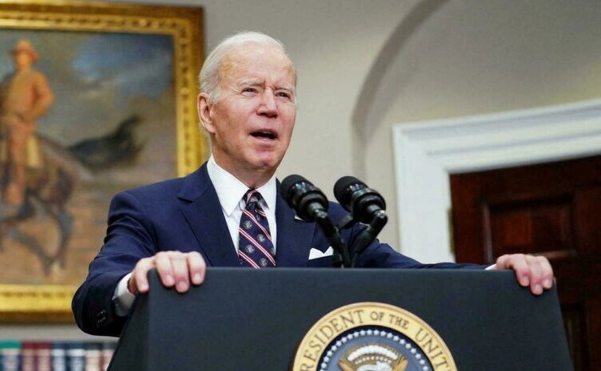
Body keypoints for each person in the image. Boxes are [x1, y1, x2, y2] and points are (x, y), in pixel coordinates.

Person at [72, 31, 553, 337]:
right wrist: (137, 281)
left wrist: (495, 276)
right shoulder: (149, 209)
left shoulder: (324, 217)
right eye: (250, 91)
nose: (270, 107)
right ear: (207, 112)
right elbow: (93, 299)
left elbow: (412, 278)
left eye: (283, 94)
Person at [0, 39, 55, 206]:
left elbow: (47, 98)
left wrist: (30, 115)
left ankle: (16, 191)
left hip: (21, 122)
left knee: (16, 151)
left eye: (22, 56)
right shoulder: (7, 79)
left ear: (30, 58)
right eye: (16, 55)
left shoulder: (36, 77)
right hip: (2, 120)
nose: (18, 59)